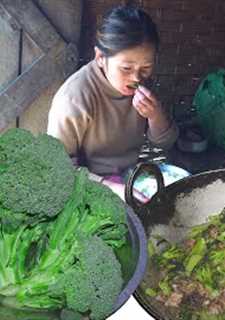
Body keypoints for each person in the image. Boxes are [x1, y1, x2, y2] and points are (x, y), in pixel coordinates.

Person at [48, 5, 178, 201]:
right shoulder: (74, 98)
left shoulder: (143, 83)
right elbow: (58, 168)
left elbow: (166, 142)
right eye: (126, 68)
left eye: (146, 68)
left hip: (130, 175)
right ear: (100, 58)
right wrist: (112, 189)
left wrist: (155, 115)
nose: (136, 78)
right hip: (87, 187)